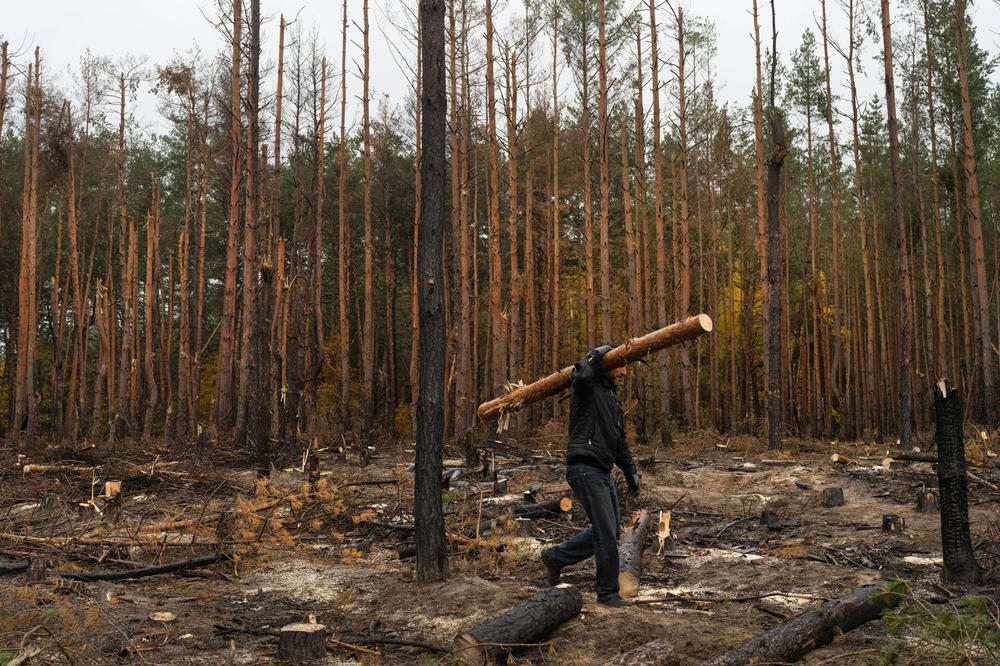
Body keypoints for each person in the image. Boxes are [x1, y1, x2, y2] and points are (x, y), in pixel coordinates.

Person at [541, 344, 640, 608]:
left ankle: (555, 557)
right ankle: (607, 593)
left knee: (609, 530)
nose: (625, 372)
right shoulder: (586, 386)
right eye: (620, 365)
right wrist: (597, 354)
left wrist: (630, 472)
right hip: (584, 467)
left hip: (602, 470)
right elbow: (583, 373)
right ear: (606, 365)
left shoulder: (612, 397)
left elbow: (620, 441)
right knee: (606, 533)